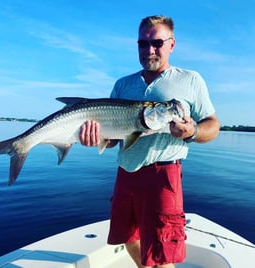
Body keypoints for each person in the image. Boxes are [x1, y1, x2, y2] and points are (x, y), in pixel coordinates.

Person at [79, 15, 220, 268]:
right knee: (127, 237)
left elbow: (213, 124)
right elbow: (111, 140)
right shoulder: (123, 84)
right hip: (126, 171)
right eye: (143, 44)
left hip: (163, 173)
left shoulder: (190, 79)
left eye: (156, 42)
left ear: (172, 44)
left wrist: (192, 132)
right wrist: (96, 137)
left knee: (162, 253)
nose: (149, 50)